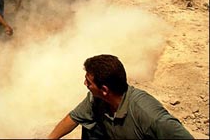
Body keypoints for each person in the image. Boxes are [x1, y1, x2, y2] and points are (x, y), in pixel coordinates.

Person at [47, 54, 194, 139]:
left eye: (89, 82)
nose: (85, 83)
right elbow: (73, 118)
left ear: (104, 89)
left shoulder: (148, 115)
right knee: (90, 127)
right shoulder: (95, 99)